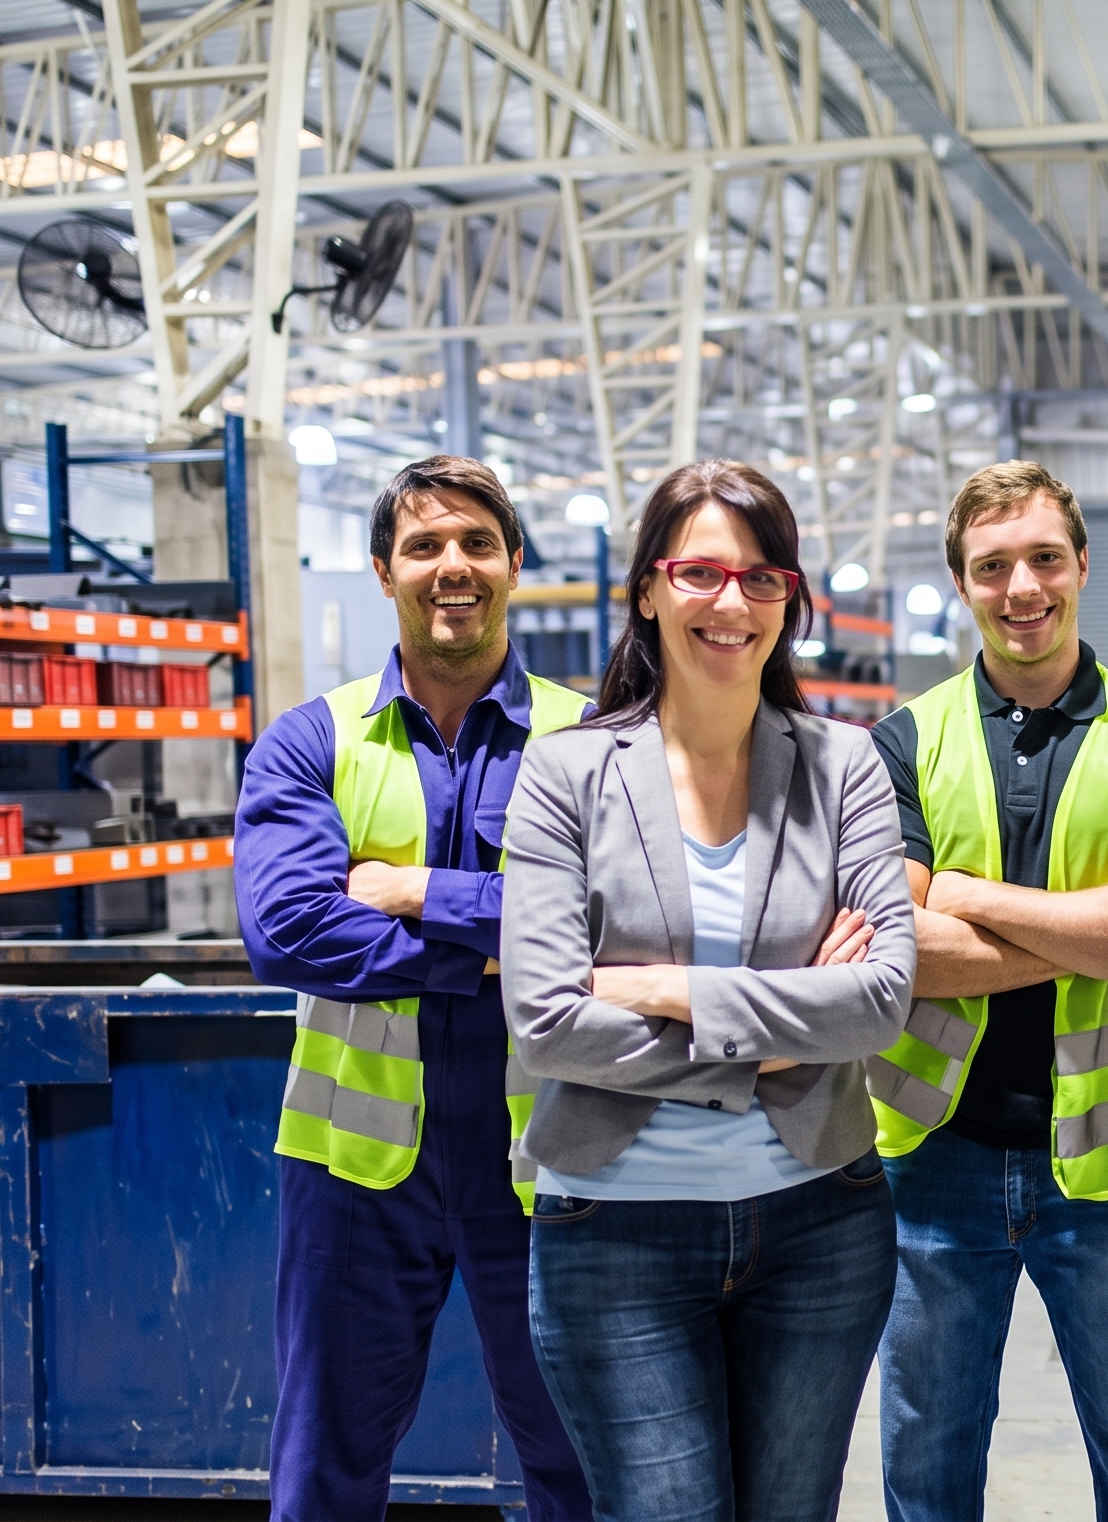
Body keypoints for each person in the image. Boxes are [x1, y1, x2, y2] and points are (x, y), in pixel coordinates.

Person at [500, 459, 916, 1522]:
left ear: (789, 599)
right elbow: (546, 1023)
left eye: (761, 578)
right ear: (647, 588)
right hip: (615, 1237)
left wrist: (669, 988)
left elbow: (877, 1000)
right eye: (699, 573)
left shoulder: (845, 766)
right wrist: (780, 1030)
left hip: (820, 1220)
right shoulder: (567, 775)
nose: (730, 603)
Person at [235, 455, 594, 1522]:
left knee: (580, 1461)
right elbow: (288, 931)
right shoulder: (313, 739)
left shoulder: (593, 739)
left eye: (478, 543)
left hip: (553, 1163)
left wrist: (406, 891)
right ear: (383, 568)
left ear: (515, 566)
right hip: (356, 1174)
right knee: (323, 1468)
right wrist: (510, 938)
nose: (454, 567)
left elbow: (625, 918)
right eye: (427, 545)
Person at [865, 461, 1108, 1522]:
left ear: (1081, 566)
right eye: (992, 566)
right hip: (932, 1154)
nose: (1022, 587)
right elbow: (900, 949)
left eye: (1043, 559)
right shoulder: (905, 740)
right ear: (962, 583)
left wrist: (966, 894)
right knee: (925, 1442)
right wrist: (1090, 930)